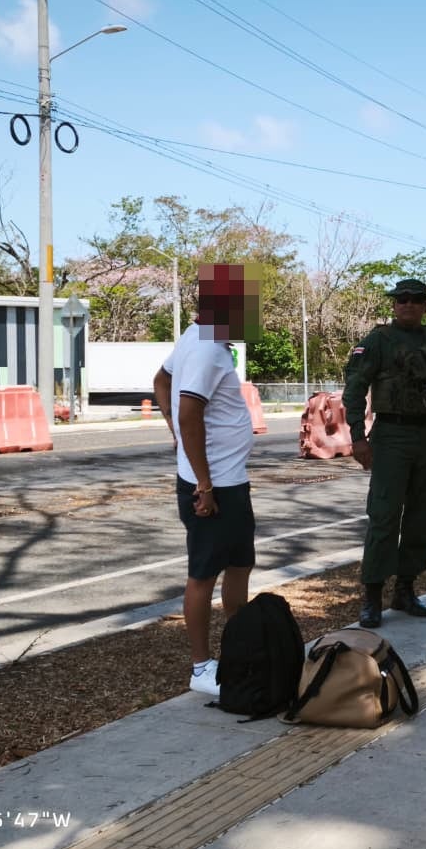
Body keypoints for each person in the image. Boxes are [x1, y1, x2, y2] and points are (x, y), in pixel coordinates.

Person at [342, 278, 426, 628]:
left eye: (416, 299)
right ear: (393, 304)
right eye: (402, 299)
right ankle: (372, 595)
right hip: (391, 434)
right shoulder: (378, 341)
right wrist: (358, 436)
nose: (408, 304)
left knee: (421, 514)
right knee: (385, 514)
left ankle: (405, 589)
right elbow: (355, 388)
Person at [153, 264, 262, 697]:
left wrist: (175, 433)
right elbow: (188, 411)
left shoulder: (202, 342)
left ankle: (237, 650)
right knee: (203, 575)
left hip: (230, 482)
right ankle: (201, 669)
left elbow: (160, 380)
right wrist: (203, 483)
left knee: (240, 565)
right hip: (212, 486)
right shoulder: (204, 349)